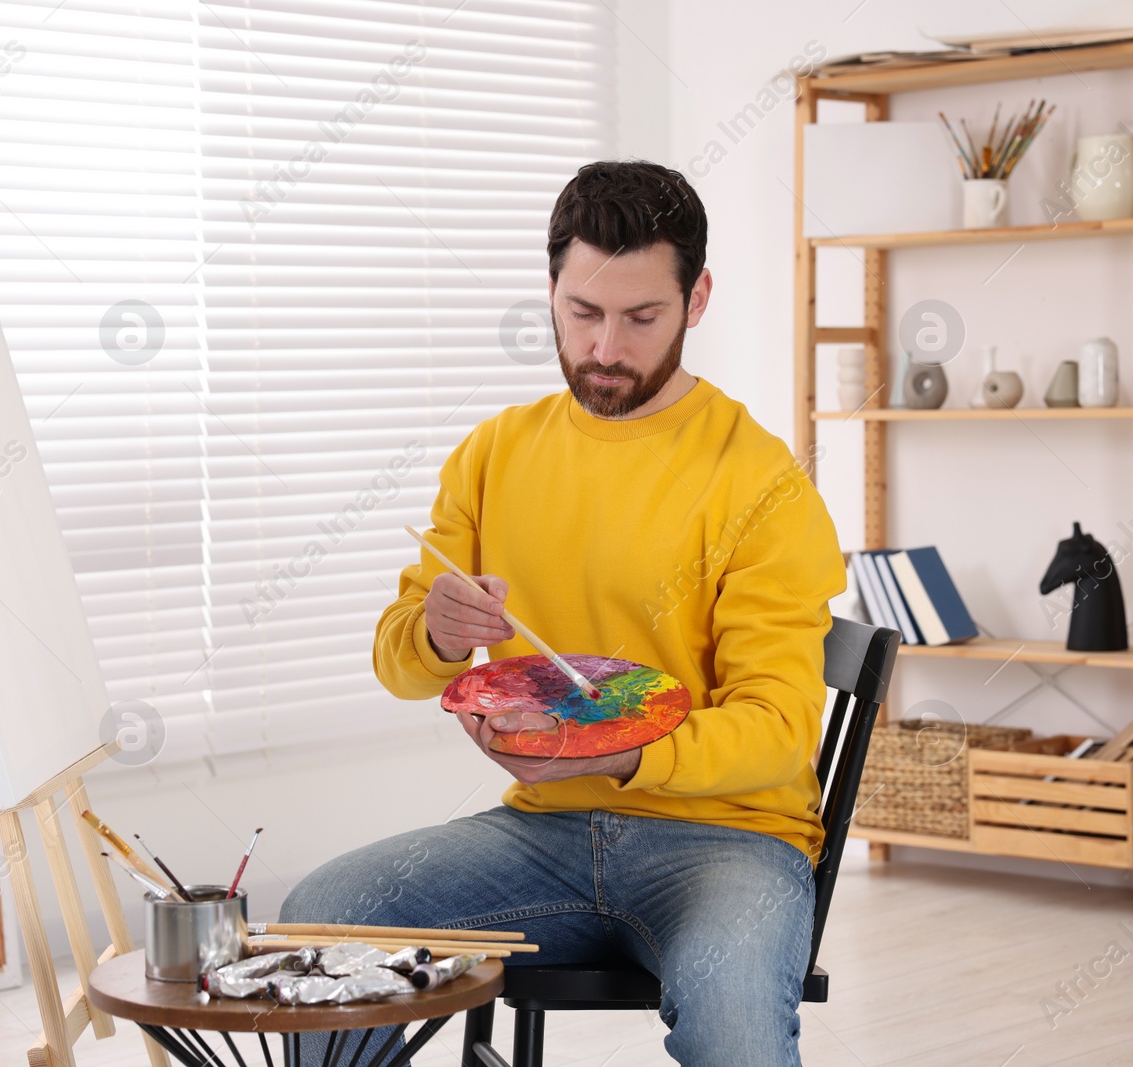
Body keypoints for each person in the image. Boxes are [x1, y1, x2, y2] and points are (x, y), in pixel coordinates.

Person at [277, 160, 847, 1067]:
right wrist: (437, 632)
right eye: (582, 313)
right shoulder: (496, 452)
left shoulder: (760, 481)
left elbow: (777, 729)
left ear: (697, 299)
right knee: (317, 929)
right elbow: (397, 663)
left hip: (729, 838)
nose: (605, 347)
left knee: (735, 1029)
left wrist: (620, 752)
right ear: (550, 290)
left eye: (641, 316)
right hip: (539, 834)